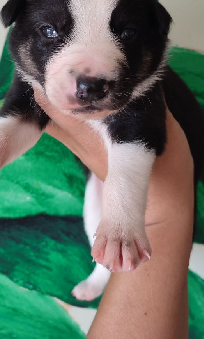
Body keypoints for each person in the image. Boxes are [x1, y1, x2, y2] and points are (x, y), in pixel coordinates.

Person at [34, 89, 194, 339]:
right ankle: (101, 271)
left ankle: (102, 270)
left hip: (163, 155)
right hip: (137, 178)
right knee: (97, 202)